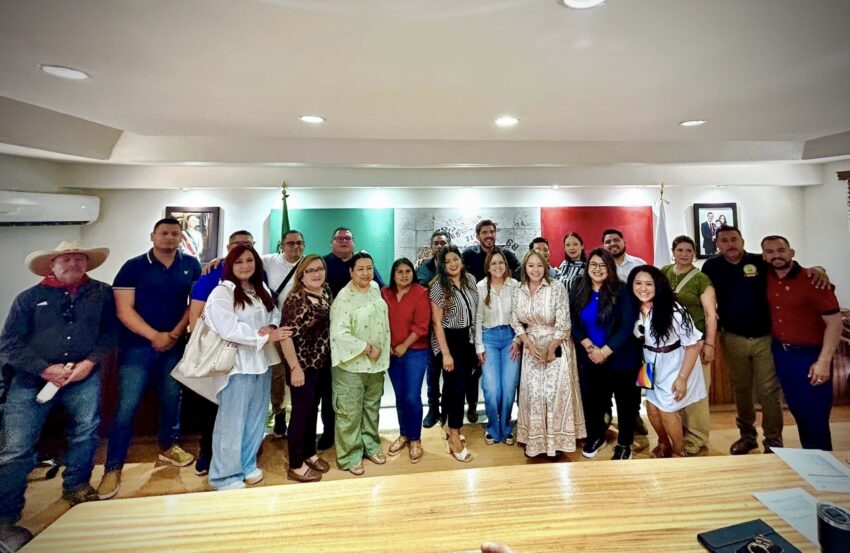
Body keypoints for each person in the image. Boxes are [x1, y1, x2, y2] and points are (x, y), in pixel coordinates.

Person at [0, 242, 117, 547]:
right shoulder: (28, 299)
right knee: (16, 449)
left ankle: (77, 486)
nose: (73, 263)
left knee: (86, 432)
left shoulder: (102, 293)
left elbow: (110, 333)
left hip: (82, 377)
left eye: (79, 258)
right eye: (66, 259)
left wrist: (89, 363)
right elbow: (9, 343)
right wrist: (44, 369)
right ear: (52, 265)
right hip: (31, 380)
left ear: (87, 264)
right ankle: (5, 518)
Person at [97, 218, 201, 500]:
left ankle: (168, 446)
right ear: (152, 236)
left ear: (181, 237)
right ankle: (113, 467)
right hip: (136, 347)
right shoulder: (133, 266)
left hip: (174, 345)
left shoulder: (191, 264)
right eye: (164, 233)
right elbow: (124, 310)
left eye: (175, 233)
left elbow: (194, 304)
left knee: (172, 398)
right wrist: (155, 336)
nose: (169, 238)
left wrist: (174, 334)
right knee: (126, 406)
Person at [701, 225, 827, 454]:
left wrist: (818, 269)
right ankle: (747, 436)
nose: (730, 244)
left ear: (742, 240)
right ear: (717, 244)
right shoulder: (711, 266)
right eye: (724, 240)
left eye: (734, 239)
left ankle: (773, 441)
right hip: (733, 337)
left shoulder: (761, 261)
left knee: (768, 391)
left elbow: (790, 268)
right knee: (741, 390)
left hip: (766, 338)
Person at [203, 244, 288, 490]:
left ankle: (247, 465)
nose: (244, 266)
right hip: (237, 366)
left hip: (262, 363)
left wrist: (271, 327)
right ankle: (224, 476)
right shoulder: (222, 292)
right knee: (231, 422)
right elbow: (227, 328)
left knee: (256, 419)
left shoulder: (260, 288)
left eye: (249, 260)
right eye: (238, 261)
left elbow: (274, 313)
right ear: (230, 265)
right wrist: (262, 336)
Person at [186, 229, 256, 476]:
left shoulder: (258, 273)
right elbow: (195, 315)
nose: (243, 249)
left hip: (247, 355)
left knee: (241, 408)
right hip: (216, 352)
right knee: (212, 404)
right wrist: (202, 350)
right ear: (228, 248)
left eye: (248, 244)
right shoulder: (212, 274)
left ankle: (240, 453)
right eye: (237, 245)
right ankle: (207, 451)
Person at [761, 235, 841, 450]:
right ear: (764, 256)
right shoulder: (765, 277)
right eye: (770, 252)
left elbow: (835, 323)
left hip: (811, 355)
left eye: (781, 250)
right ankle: (811, 459)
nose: (776, 255)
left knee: (815, 414)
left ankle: (824, 464)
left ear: (791, 252)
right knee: (798, 410)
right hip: (782, 354)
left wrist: (823, 361)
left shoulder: (813, 280)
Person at [511, 250, 586, 458]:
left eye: (539, 265)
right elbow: (515, 320)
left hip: (557, 344)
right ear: (525, 268)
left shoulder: (556, 287)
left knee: (553, 394)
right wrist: (527, 342)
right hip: (531, 346)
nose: (535, 270)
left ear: (545, 267)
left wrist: (551, 348)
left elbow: (564, 322)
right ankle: (535, 442)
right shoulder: (518, 289)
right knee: (534, 394)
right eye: (531, 265)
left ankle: (557, 442)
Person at [569, 248, 642, 461]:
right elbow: (571, 321)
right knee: (594, 402)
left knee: (625, 403)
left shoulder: (623, 290)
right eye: (593, 264)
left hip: (621, 358)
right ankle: (596, 436)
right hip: (590, 357)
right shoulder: (578, 288)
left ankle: (624, 443)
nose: (598, 269)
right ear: (587, 267)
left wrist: (605, 351)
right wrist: (589, 347)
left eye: (603, 265)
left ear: (610, 267)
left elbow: (626, 326)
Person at [629, 265, 705, 458]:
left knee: (667, 410)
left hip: (675, 363)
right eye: (638, 283)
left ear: (658, 285)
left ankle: (679, 452)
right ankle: (663, 443)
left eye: (649, 284)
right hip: (648, 363)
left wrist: (682, 378)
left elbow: (694, 345)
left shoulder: (674, 310)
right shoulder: (632, 308)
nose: (643, 288)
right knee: (652, 408)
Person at [322, 227, 385, 449]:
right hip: (335, 340)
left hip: (368, 348)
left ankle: (367, 442)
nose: (343, 241)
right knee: (338, 397)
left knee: (369, 403)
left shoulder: (369, 275)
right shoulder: (325, 265)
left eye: (347, 238)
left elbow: (382, 292)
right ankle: (335, 438)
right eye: (339, 238)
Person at [329, 252, 390, 475]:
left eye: (369, 268)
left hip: (375, 365)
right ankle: (350, 455)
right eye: (360, 269)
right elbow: (339, 334)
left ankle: (371, 446)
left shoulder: (374, 288)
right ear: (351, 272)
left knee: (371, 408)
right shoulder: (344, 298)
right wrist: (367, 348)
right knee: (349, 412)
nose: (366, 273)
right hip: (350, 366)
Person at [660, 236, 717, 455]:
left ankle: (697, 436)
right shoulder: (664, 272)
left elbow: (710, 314)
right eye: (680, 250)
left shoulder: (701, 279)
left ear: (694, 254)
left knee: (696, 392)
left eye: (689, 250)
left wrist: (710, 344)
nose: (684, 254)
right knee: (675, 388)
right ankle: (680, 433)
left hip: (695, 342)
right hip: (670, 345)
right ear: (673, 252)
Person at [279, 255, 333, 482]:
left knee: (312, 411)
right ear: (301, 275)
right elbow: (285, 336)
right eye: (310, 270)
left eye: (320, 269)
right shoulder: (295, 299)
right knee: (300, 414)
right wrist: (295, 368)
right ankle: (296, 464)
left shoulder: (326, 291)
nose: (316, 274)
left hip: (321, 364)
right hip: (302, 366)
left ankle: (309, 452)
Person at [462, 220, 518, 423]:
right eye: (484, 232)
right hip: (484, 327)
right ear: (478, 236)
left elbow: (521, 274)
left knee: (507, 384)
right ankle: (475, 408)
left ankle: (505, 420)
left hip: (509, 330)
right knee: (483, 379)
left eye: (492, 231)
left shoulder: (508, 259)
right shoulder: (469, 256)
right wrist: (478, 343)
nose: (489, 235)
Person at [430, 245, 479, 462]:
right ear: (442, 265)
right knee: (457, 387)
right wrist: (446, 353)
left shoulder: (470, 280)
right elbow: (437, 323)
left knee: (455, 386)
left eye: (455, 259)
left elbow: (476, 312)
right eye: (447, 261)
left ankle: (448, 425)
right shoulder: (438, 287)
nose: (452, 263)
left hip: (467, 339)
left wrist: (476, 343)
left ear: (461, 260)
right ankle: (454, 436)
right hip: (448, 339)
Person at [381, 258, 431, 463]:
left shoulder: (421, 293)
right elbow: (380, 321)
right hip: (392, 353)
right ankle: (404, 434)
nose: (404, 275)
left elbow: (421, 326)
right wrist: (388, 345)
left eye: (408, 271)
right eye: (399, 271)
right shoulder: (385, 293)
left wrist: (404, 345)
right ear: (393, 275)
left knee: (412, 396)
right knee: (400, 397)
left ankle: (415, 438)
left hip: (415, 352)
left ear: (413, 273)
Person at [475, 249, 521, 445]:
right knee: (492, 388)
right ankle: (493, 427)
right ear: (488, 267)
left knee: (509, 387)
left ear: (506, 265)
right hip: (489, 339)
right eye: (493, 263)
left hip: (511, 338)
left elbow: (520, 315)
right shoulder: (480, 287)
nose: (497, 266)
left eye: (501, 262)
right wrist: (479, 346)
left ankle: (506, 427)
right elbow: (477, 319)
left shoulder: (515, 285)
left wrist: (518, 340)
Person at [264, 229, 306, 441]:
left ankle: (299, 416)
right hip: (277, 328)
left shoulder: (308, 263)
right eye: (290, 243)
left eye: (299, 243)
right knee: (278, 374)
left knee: (299, 373)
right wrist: (217, 260)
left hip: (302, 330)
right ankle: (279, 413)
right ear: (282, 245)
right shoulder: (269, 261)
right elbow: (240, 259)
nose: (295, 247)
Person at [417, 230, 451, 428]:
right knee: (432, 373)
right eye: (436, 243)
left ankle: (446, 410)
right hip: (431, 329)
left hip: (452, 328)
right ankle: (433, 409)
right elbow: (422, 291)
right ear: (431, 246)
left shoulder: (455, 264)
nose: (440, 246)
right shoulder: (424, 267)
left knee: (450, 373)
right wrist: (440, 278)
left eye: (443, 243)